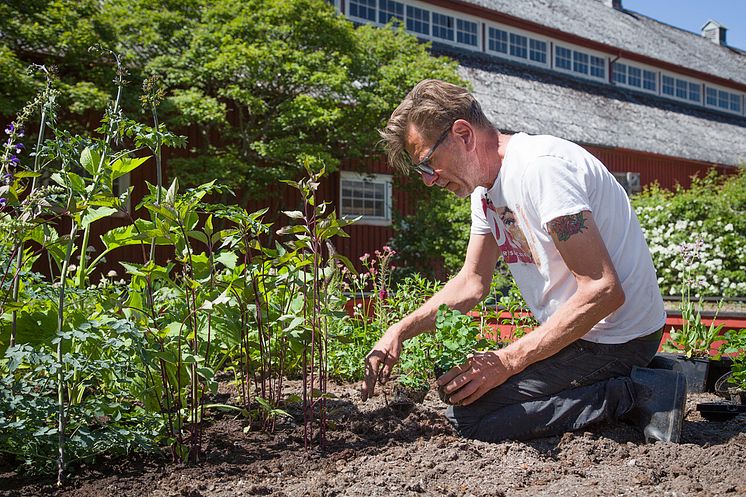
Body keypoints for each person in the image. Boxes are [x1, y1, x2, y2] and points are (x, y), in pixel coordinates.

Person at [360, 79, 686, 443]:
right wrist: (399, 330)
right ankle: (635, 381)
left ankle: (637, 395)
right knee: (460, 392)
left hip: (619, 335)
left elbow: (603, 291)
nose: (429, 180)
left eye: (428, 164)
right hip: (581, 332)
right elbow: (472, 282)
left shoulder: (541, 170)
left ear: (463, 134)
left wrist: (508, 360)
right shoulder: (484, 191)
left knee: (471, 418)